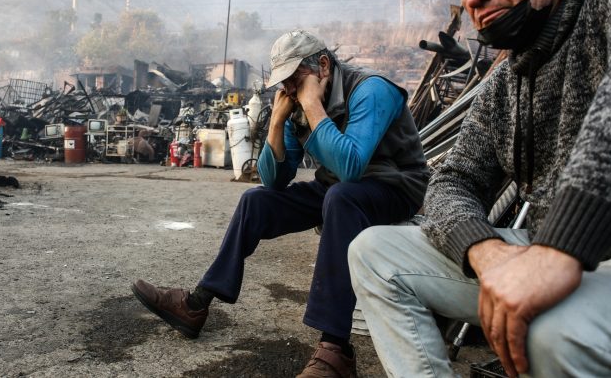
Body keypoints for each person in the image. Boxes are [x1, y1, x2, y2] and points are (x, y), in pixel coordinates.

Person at [348, 0, 611, 378]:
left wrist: (558, 249)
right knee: (374, 252)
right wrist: (484, 249)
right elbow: (452, 182)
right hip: (552, 257)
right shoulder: (507, 81)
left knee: (558, 333)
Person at [132, 29, 429, 377]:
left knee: (340, 197)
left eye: (294, 79)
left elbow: (351, 166)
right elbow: (274, 180)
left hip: (394, 188)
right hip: (339, 189)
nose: (288, 89)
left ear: (322, 66)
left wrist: (313, 105)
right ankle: (197, 304)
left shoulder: (371, 90)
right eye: (282, 83)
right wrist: (276, 121)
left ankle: (336, 350)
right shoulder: (295, 101)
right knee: (256, 200)